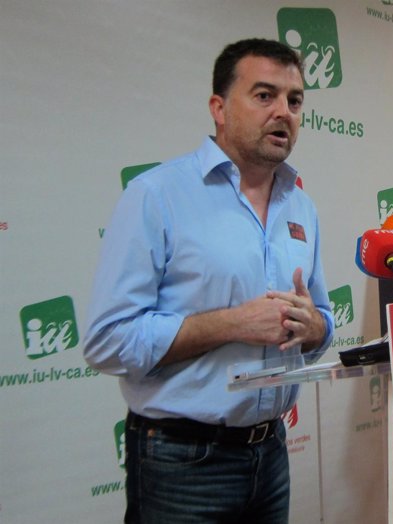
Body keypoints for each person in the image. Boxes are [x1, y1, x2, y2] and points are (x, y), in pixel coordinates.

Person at [83, 38, 334, 524]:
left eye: (295, 100)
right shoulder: (156, 195)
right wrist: (232, 324)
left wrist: (314, 328)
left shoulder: (302, 207)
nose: (284, 111)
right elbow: (106, 340)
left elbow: (322, 321)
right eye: (265, 95)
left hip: (272, 453)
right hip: (182, 462)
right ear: (219, 108)